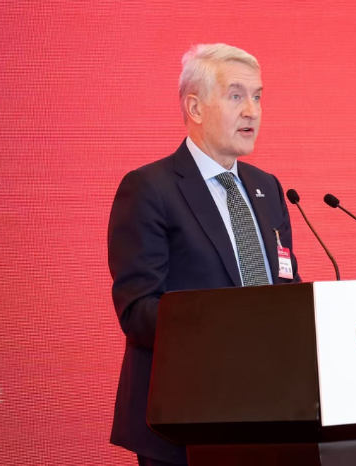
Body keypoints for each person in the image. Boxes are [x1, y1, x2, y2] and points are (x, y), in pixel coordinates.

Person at [107, 43, 301, 466]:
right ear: (195, 107)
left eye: (257, 97)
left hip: (269, 409)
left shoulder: (267, 188)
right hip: (182, 422)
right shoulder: (150, 189)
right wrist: (233, 332)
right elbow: (137, 310)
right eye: (236, 96)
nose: (252, 111)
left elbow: (286, 287)